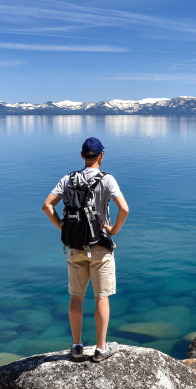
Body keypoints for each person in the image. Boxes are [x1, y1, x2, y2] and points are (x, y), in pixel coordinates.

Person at [42, 137, 129, 362]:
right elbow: (124, 209)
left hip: (75, 247)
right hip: (100, 247)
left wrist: (62, 227)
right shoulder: (107, 180)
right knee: (101, 298)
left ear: (82, 156)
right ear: (101, 155)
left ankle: (77, 346)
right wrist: (114, 230)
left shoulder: (68, 179)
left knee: (76, 297)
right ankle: (101, 349)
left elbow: (47, 205)